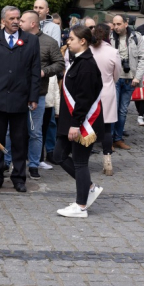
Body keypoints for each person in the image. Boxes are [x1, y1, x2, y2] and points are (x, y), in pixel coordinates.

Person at [0, 6, 40, 193]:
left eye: (18, 18)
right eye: (11, 18)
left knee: (19, 139)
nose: (15, 21)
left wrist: (33, 96)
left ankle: (19, 177)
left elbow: (35, 71)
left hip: (20, 99)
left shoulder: (30, 40)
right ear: (3, 21)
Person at [54, 25, 104, 218]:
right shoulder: (78, 61)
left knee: (80, 163)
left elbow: (84, 99)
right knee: (58, 155)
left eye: (72, 39)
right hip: (71, 121)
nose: (68, 41)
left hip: (83, 123)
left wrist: (76, 124)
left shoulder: (87, 65)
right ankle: (89, 187)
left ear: (83, 41)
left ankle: (81, 205)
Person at [7, 10, 63, 180]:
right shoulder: (15, 39)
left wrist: (44, 72)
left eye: (22, 20)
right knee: (10, 130)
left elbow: (60, 63)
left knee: (35, 131)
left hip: (37, 93)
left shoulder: (48, 42)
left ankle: (33, 165)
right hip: (15, 93)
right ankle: (6, 161)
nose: (18, 22)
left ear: (32, 24)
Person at [109, 15, 144, 150]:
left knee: (123, 110)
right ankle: (110, 139)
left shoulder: (136, 37)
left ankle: (118, 139)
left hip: (130, 79)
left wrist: (137, 77)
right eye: (114, 24)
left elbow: (143, 58)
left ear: (126, 24)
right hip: (115, 78)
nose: (116, 27)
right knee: (112, 109)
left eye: (119, 24)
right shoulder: (110, 37)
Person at [89, 23, 120, 176]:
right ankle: (107, 159)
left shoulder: (88, 50)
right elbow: (117, 75)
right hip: (107, 90)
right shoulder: (113, 52)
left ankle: (83, 158)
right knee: (107, 128)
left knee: (88, 126)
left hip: (89, 92)